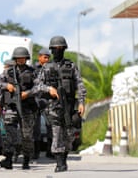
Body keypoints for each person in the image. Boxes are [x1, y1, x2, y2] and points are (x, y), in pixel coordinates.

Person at [34, 35, 87, 172]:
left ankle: (64, 158)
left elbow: (80, 85)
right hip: (53, 106)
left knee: (69, 134)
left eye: (61, 48)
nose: (58, 51)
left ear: (64, 49)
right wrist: (48, 89)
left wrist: (81, 102)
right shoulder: (46, 68)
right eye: (56, 49)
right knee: (57, 133)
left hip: (69, 105)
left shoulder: (71, 66)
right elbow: (37, 86)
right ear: (51, 50)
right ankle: (60, 163)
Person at [0, 46, 37, 170]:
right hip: (11, 106)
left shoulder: (32, 72)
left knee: (27, 135)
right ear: (15, 59)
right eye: (19, 58)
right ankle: (9, 158)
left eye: (23, 58)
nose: (21, 60)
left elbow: (39, 87)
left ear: (26, 58)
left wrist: (28, 93)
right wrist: (7, 85)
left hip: (26, 108)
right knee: (10, 133)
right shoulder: (8, 72)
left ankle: (26, 159)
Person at [33, 47, 52, 160]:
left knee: (50, 126)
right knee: (35, 128)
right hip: (35, 100)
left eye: (48, 57)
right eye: (45, 57)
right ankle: (35, 151)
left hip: (47, 101)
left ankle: (50, 151)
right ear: (39, 57)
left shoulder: (50, 69)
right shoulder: (33, 69)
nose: (47, 59)